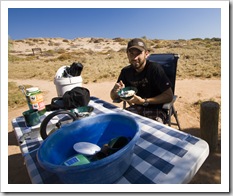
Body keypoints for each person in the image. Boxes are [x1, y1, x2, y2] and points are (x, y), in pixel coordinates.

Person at [110, 38, 173, 123]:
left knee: (150, 133)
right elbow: (113, 97)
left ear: (146, 54)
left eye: (138, 53)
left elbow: (169, 96)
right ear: (127, 55)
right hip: (136, 108)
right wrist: (115, 91)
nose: (135, 58)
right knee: (116, 124)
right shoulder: (125, 71)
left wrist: (144, 101)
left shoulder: (155, 69)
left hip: (156, 110)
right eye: (131, 53)